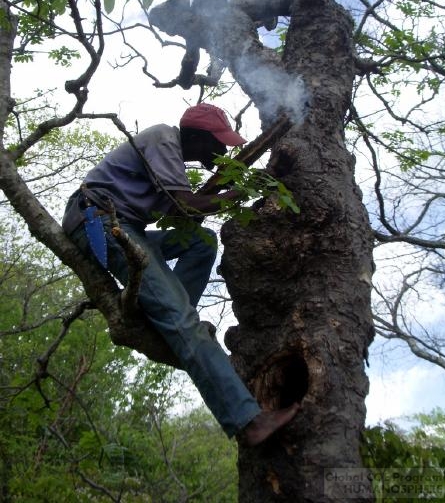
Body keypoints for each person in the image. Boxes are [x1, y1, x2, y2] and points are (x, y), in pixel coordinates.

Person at [62, 103, 299, 445]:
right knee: (183, 319)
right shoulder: (162, 137)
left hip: (126, 227)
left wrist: (253, 182)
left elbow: (183, 216)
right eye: (217, 143)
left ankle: (167, 317)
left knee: (200, 241)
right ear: (196, 137)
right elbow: (186, 206)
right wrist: (248, 190)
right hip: (100, 223)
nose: (222, 151)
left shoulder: (170, 158)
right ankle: (248, 421)